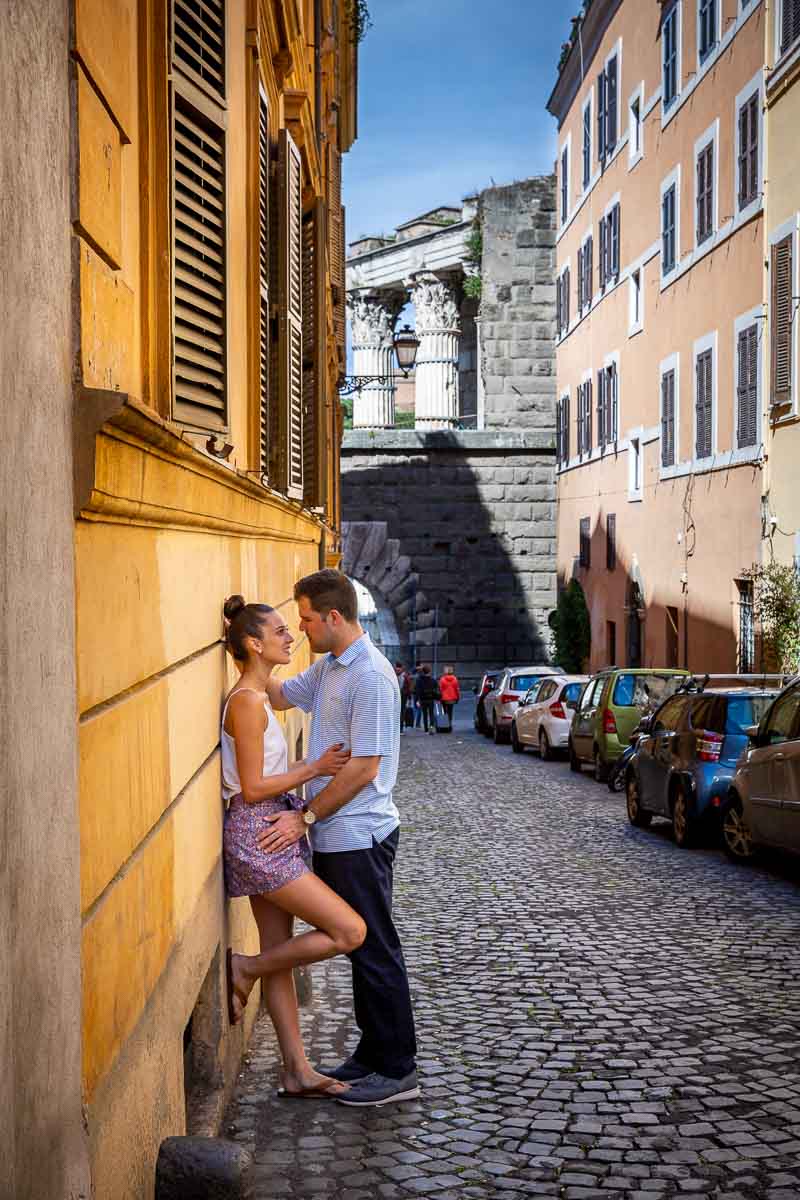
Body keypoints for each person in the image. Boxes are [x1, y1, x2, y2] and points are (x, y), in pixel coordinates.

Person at [258, 569, 419, 1107]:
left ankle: (397, 1069)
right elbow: (280, 696)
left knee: (375, 948)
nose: (300, 628)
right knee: (360, 949)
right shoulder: (328, 668)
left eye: (305, 618)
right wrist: (248, 653)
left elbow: (365, 769)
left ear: (332, 617)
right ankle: (373, 1054)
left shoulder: (370, 675)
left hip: (360, 834)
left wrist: (304, 816)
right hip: (336, 834)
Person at [221, 595, 367, 1099]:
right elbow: (252, 787)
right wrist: (314, 768)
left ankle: (295, 1070)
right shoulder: (243, 702)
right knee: (349, 930)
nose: (291, 636)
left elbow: (294, 693)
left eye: (292, 627)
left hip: (270, 826)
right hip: (259, 831)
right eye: (281, 631)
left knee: (279, 952)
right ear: (254, 644)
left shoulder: (260, 697)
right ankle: (246, 968)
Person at [414, 663, 437, 734]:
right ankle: (431, 728)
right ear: (429, 671)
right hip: (430, 699)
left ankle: (426, 729)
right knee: (431, 714)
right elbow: (436, 690)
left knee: (425, 715)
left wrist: (417, 700)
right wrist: (437, 697)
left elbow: (417, 691)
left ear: (423, 671)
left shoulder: (419, 680)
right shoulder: (433, 680)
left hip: (423, 699)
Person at [438, 664, 461, 732]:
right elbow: (457, 689)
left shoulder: (442, 679)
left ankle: (445, 726)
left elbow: (440, 689)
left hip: (444, 698)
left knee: (445, 712)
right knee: (450, 712)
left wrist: (439, 697)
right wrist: (458, 697)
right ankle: (450, 725)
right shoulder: (455, 679)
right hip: (452, 698)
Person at [394, 661, 412, 733]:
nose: (397, 670)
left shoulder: (404, 676)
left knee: (400, 712)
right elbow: (409, 687)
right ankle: (398, 729)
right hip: (399, 696)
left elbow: (409, 687)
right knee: (398, 712)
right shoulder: (403, 676)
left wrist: (409, 696)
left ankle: (400, 729)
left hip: (402, 696)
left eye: (398, 669)